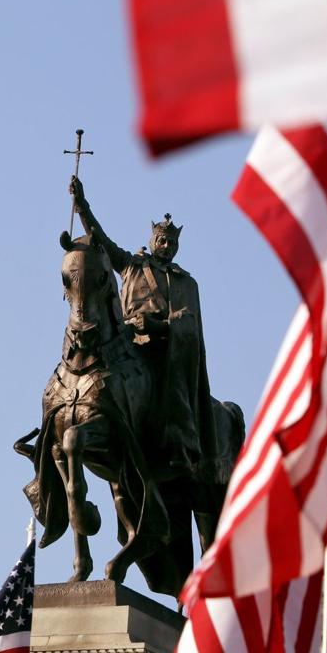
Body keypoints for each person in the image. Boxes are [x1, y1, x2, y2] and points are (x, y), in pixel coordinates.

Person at [70, 175, 219, 477]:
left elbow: (188, 322)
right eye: (162, 240)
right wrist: (82, 205)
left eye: (172, 242)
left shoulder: (185, 282)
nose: (166, 246)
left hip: (163, 349)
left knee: (171, 380)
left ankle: (178, 442)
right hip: (127, 343)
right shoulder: (130, 265)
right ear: (152, 240)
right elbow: (101, 240)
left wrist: (157, 324)